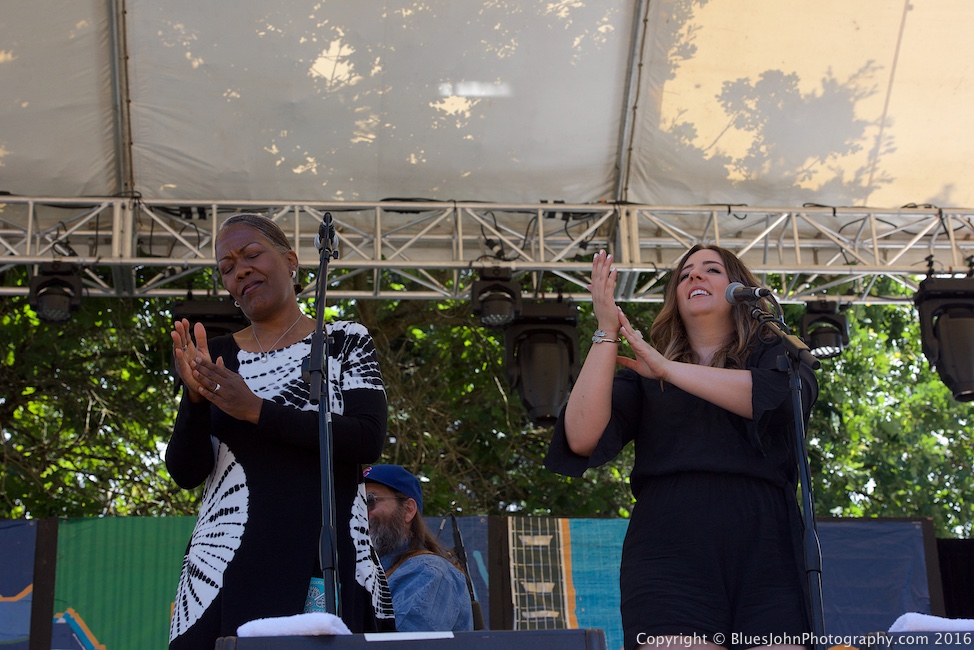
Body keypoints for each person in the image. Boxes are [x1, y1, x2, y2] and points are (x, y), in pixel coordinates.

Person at [544, 246, 818, 650]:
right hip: (669, 542)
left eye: (712, 270)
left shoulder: (774, 352)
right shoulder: (644, 371)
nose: (695, 277)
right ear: (674, 297)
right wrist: (606, 330)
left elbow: (774, 399)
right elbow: (581, 436)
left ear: (739, 289)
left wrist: (668, 369)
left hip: (768, 543)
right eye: (685, 274)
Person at [166, 213, 395, 648]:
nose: (240, 271)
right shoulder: (216, 357)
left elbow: (367, 438)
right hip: (230, 558)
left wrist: (257, 410)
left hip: (322, 552)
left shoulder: (345, 340)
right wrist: (195, 402)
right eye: (227, 268)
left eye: (251, 255)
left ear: (290, 261)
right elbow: (185, 472)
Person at [363, 464, 474, 632]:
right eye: (355, 503)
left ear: (408, 510)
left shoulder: (430, 572)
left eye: (369, 500)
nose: (360, 511)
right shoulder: (361, 572)